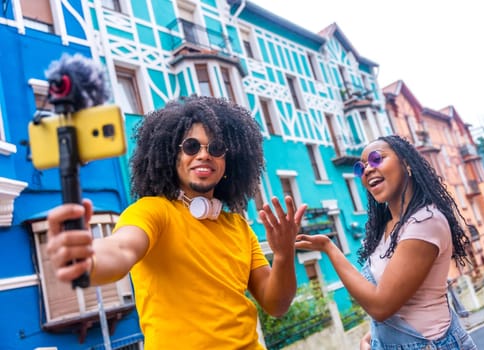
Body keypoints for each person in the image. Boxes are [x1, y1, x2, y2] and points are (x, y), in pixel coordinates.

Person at [46, 95, 307, 349]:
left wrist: (284, 254)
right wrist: (88, 257)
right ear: (172, 156)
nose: (204, 155)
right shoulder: (152, 212)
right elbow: (121, 249)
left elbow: (276, 305)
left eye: (216, 148)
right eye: (191, 146)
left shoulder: (239, 227)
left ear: (229, 162)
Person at [295, 135, 477, 349]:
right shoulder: (388, 228)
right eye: (361, 168)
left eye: (376, 159)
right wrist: (375, 339)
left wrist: (328, 247)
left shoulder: (425, 222)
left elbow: (381, 306)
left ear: (406, 163)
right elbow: (397, 311)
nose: (367, 170)